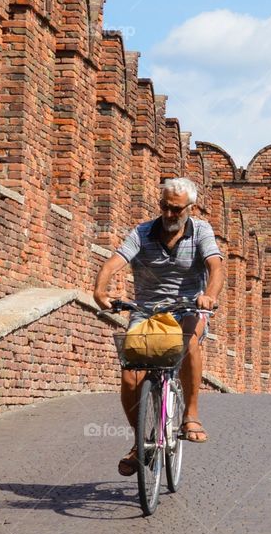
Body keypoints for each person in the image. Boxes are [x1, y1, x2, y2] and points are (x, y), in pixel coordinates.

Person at [93, 178, 224, 476]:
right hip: (147, 311)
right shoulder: (142, 232)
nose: (168, 214)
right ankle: (140, 442)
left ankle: (191, 414)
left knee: (188, 341)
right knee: (129, 377)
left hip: (189, 307)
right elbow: (116, 260)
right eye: (164, 207)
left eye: (175, 209)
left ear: (190, 208)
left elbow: (216, 267)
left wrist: (209, 296)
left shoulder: (201, 231)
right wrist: (100, 289)